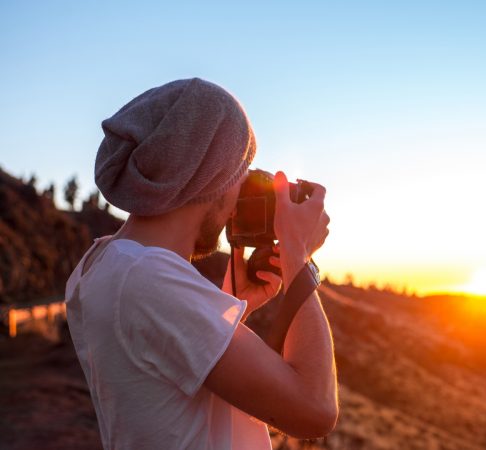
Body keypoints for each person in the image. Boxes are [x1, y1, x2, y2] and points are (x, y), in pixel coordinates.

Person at [64, 77, 338, 450]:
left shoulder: (99, 264)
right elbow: (315, 409)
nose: (241, 189)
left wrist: (231, 304)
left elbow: (168, 385)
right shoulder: (146, 280)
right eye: (240, 170)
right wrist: (297, 253)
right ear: (210, 174)